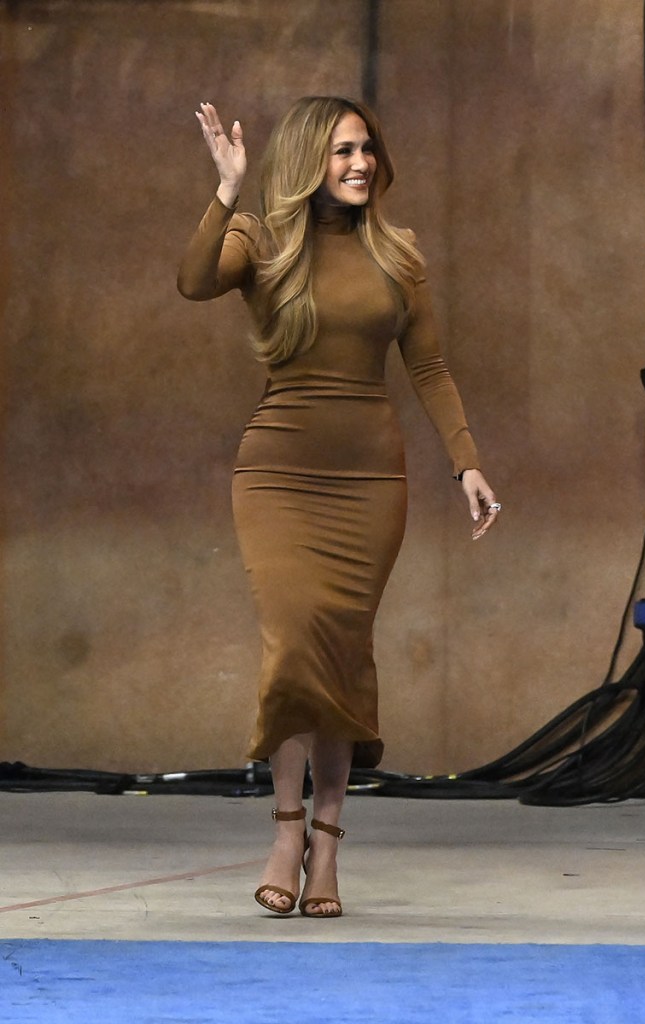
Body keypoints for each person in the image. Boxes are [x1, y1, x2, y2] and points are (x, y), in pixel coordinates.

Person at [177, 96, 500, 919]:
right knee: (294, 647)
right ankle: (286, 832)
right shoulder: (259, 238)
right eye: (340, 152)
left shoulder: (399, 253)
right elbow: (191, 281)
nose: (358, 164)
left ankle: (328, 843)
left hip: (369, 485)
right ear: (307, 162)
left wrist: (465, 463)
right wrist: (224, 190)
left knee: (340, 656)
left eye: (365, 150)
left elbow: (428, 369)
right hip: (278, 476)